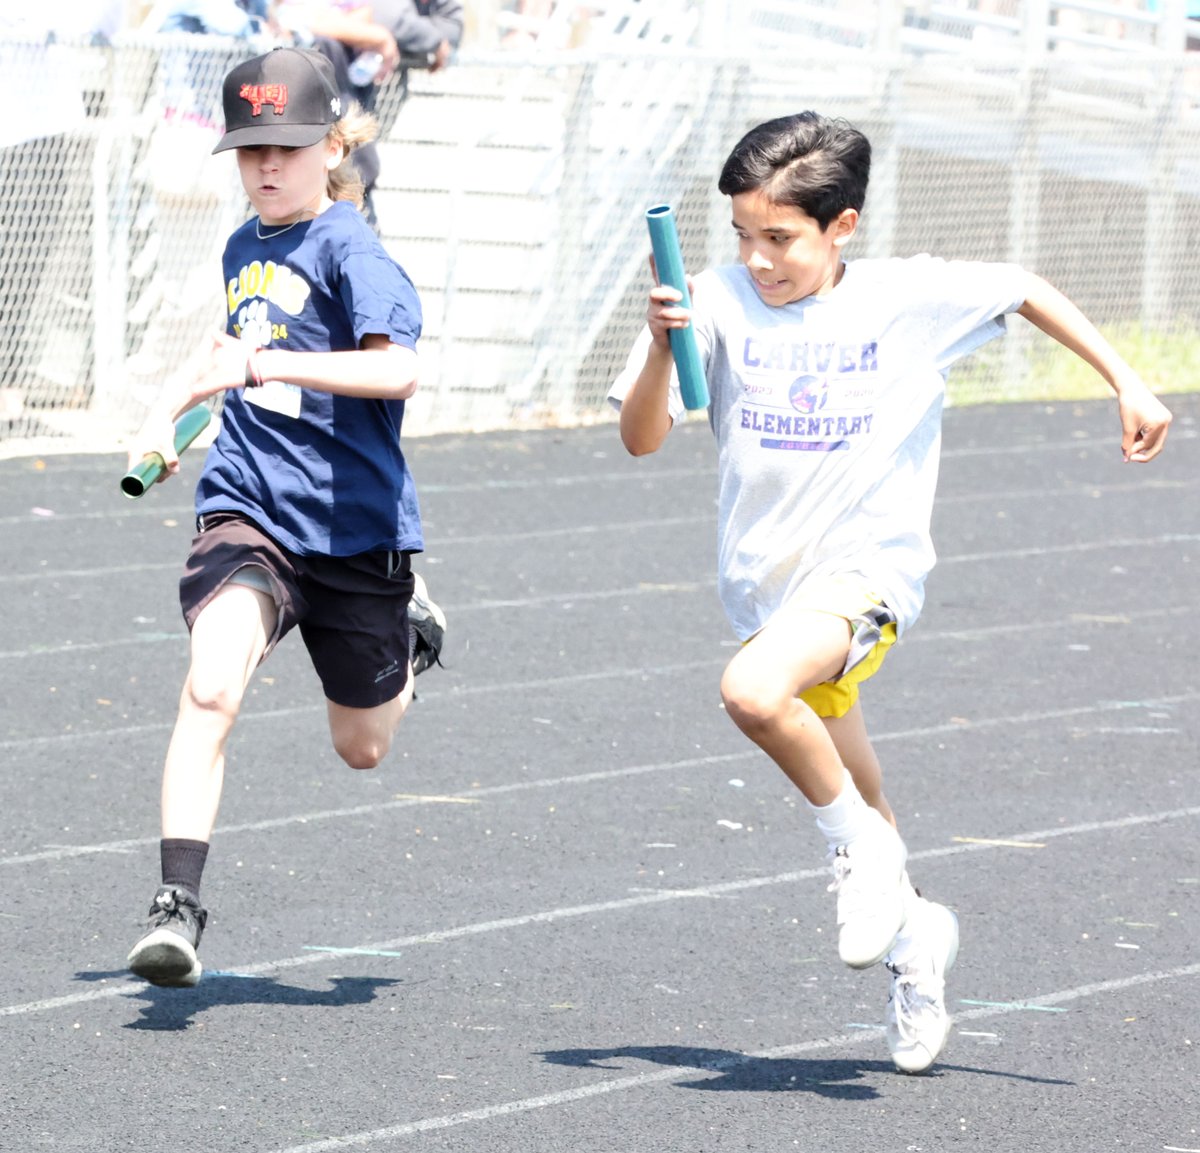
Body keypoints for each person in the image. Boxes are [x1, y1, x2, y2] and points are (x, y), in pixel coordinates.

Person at [608, 111, 1172, 1074]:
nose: (757, 258)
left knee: (753, 694)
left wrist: (1127, 380)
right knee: (863, 795)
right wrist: (665, 346)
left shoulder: (905, 299)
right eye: (742, 234)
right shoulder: (713, 299)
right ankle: (918, 943)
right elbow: (641, 437)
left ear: (843, 227)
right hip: (768, 589)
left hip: (868, 575)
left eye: (779, 237)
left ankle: (860, 859)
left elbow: (1025, 285)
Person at [124, 45, 446, 988]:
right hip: (249, 505)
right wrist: (172, 415)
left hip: (353, 529)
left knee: (363, 747)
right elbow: (228, 351)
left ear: (331, 148)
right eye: (251, 150)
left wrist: (259, 366)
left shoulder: (354, 250)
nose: (267, 166)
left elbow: (398, 370)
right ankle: (176, 906)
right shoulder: (242, 246)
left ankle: (409, 631)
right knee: (210, 687)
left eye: (288, 149)